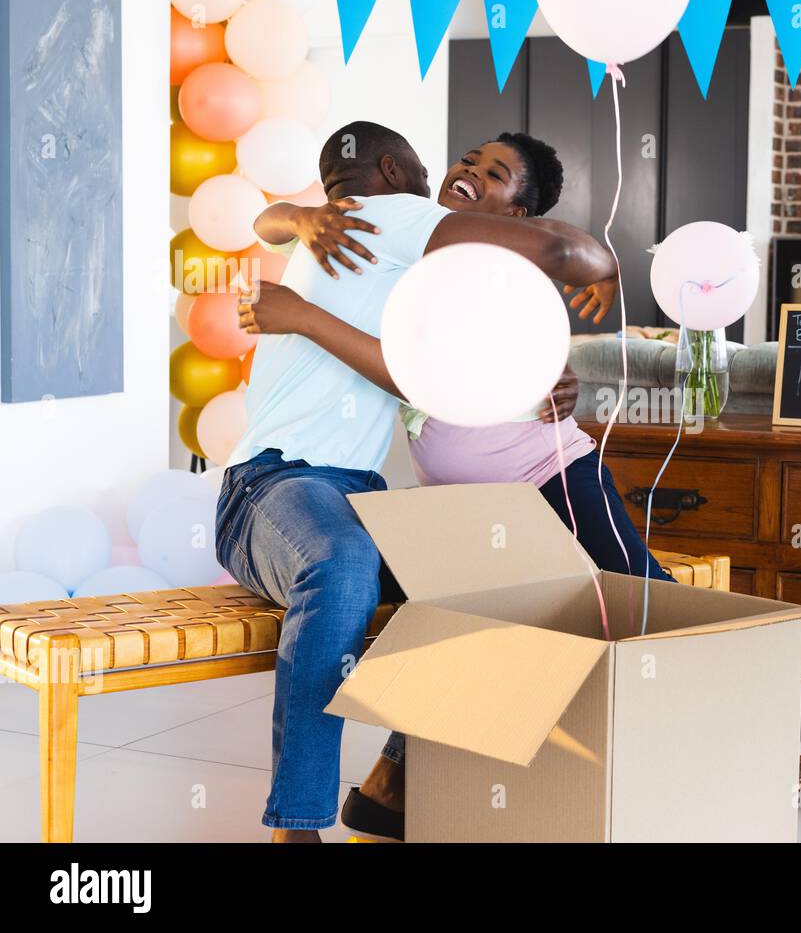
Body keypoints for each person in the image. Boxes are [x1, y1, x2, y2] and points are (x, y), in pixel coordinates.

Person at [239, 129, 677, 842]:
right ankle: (388, 784)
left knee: (642, 598)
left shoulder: (456, 250)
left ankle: (744, 728)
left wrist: (593, 285)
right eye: (468, 159)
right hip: (460, 500)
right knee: (471, 603)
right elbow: (274, 223)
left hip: (546, 471)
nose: (465, 170)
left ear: (515, 216)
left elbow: (560, 267)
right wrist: (297, 225)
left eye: (494, 171)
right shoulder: (416, 259)